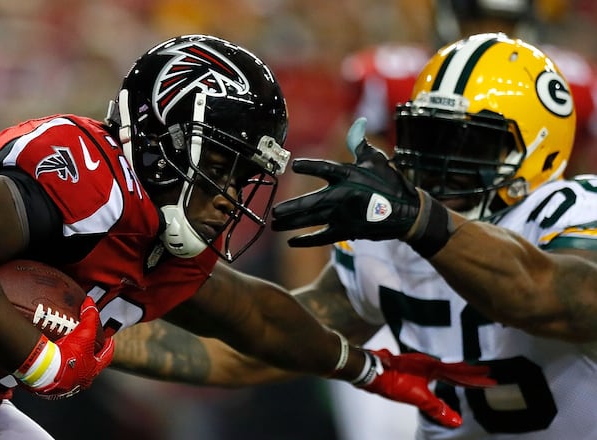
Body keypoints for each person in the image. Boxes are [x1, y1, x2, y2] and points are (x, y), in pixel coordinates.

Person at [0, 34, 492, 439]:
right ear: (162, 142)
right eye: (222, 163)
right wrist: (41, 362)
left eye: (245, 174)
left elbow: (250, 313)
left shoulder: (164, 232)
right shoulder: (85, 175)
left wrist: (365, 366)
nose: (231, 194)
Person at [112, 33, 597, 439]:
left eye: (469, 143)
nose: (439, 162)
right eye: (429, 138)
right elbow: (257, 347)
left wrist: (418, 219)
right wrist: (92, 322)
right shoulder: (395, 240)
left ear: (542, 150)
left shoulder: (568, 210)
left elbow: (551, 298)